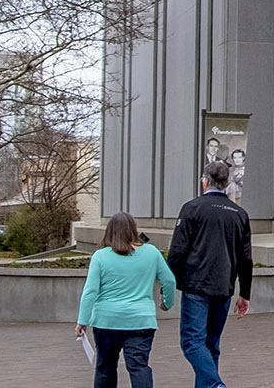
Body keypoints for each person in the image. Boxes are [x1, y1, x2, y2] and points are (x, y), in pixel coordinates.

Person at [167, 157, 253, 388]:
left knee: (192, 342)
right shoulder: (239, 214)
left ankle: (215, 385)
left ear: (205, 182)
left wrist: (168, 282)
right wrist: (245, 293)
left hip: (197, 286)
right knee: (211, 344)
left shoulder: (192, 208)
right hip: (224, 286)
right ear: (225, 184)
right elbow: (246, 259)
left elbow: (178, 250)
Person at [77, 211, 177, 388]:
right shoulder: (151, 253)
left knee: (105, 368)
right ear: (133, 229)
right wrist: (166, 303)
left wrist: (82, 321)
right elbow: (168, 280)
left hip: (106, 321)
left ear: (109, 231)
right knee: (139, 367)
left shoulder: (100, 256)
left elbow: (91, 291)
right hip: (141, 320)